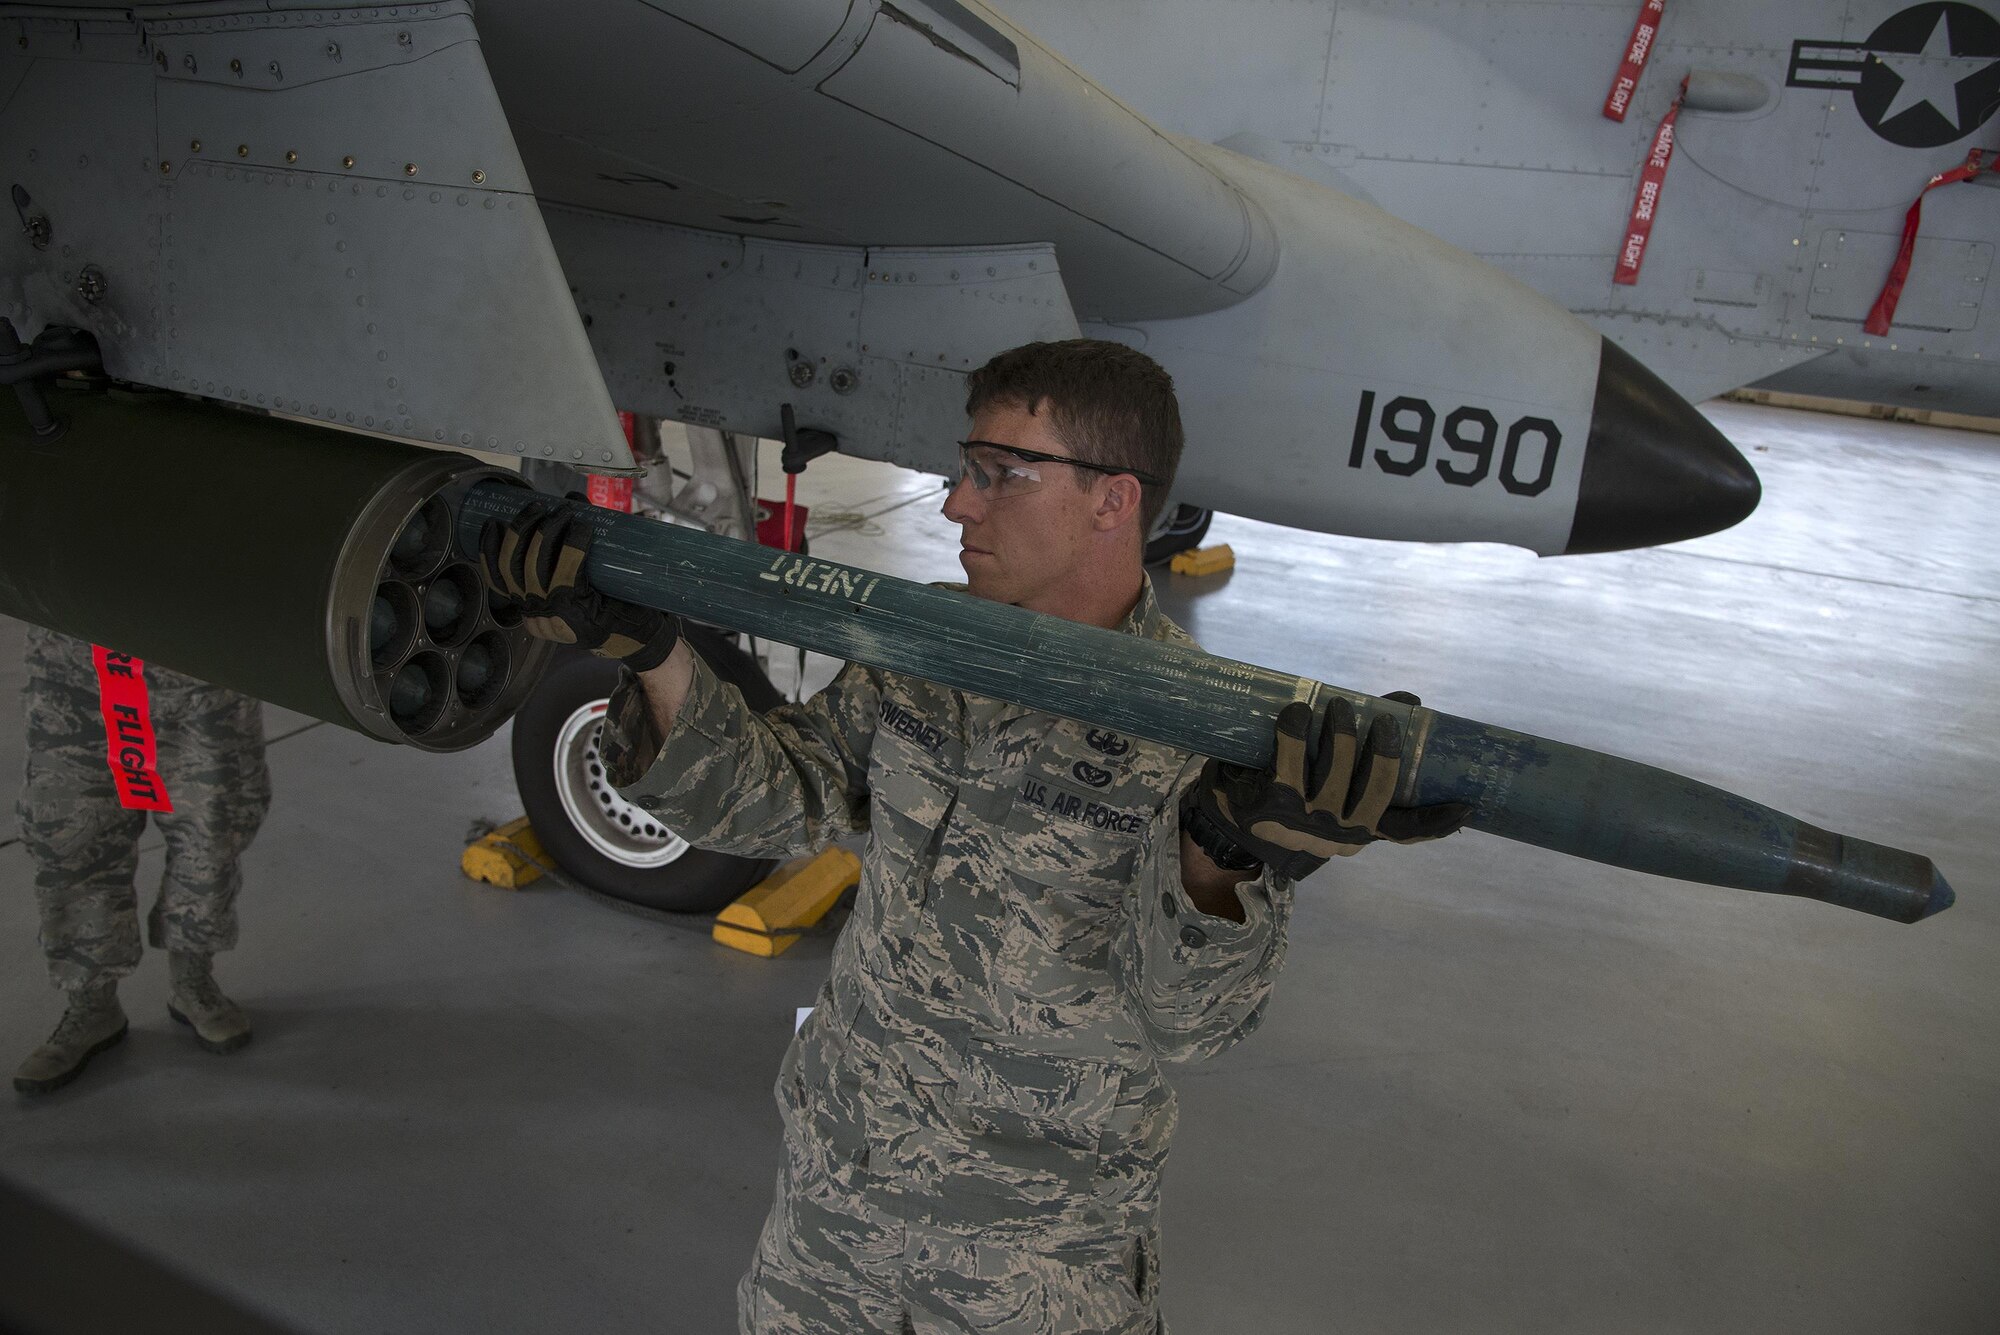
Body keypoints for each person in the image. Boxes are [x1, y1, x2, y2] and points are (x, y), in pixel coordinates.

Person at [481, 339, 1467, 1333]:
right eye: (966, 471)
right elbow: (780, 800)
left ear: (1111, 502)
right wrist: (650, 652)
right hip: (835, 1217)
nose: (956, 503)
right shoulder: (931, 652)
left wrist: (1227, 855)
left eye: (999, 474)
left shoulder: (1198, 735)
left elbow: (1189, 1025)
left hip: (1027, 1273)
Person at [13, 627, 270, 1097]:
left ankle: (192, 980)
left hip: (200, 672)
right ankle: (91, 1004)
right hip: (75, 670)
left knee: (212, 831)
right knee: (71, 838)